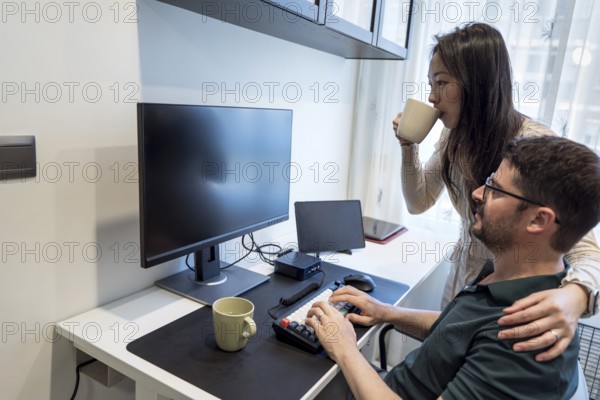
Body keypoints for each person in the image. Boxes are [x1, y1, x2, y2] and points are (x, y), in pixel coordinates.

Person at [307, 135, 600, 399]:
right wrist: (388, 312)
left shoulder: (525, 338)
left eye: (495, 189)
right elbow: (461, 334)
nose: (476, 193)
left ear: (538, 220)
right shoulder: (508, 278)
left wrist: (345, 348)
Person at [392, 22, 600, 361]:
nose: (431, 97)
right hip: (462, 288)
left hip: (508, 308)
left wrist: (574, 298)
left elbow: (587, 250)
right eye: (430, 84)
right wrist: (408, 147)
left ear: (476, 84)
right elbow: (418, 202)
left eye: (441, 83)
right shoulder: (452, 138)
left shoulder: (531, 145)